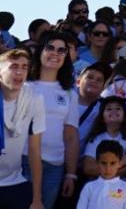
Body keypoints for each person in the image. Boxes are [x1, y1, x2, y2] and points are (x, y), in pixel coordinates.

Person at [28, 31, 81, 206]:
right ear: (40, 51)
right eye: (50, 48)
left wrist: (71, 174)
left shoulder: (70, 93)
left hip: (54, 166)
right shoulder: (23, 86)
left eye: (61, 50)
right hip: (23, 161)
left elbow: (71, 137)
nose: (55, 54)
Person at [0, 47, 46, 209]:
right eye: (13, 67)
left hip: (14, 180)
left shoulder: (34, 99)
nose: (19, 72)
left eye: (24, 67)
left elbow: (34, 150)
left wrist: (37, 199)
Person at [81, 97, 126, 181]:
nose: (114, 111)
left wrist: (106, 171)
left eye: (118, 108)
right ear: (102, 117)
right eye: (109, 109)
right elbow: (88, 168)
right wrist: (120, 164)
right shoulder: (95, 139)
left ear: (124, 116)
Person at [77, 140, 126, 209]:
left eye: (112, 163)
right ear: (97, 163)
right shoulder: (89, 187)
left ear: (120, 163)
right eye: (103, 163)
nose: (108, 168)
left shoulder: (125, 187)